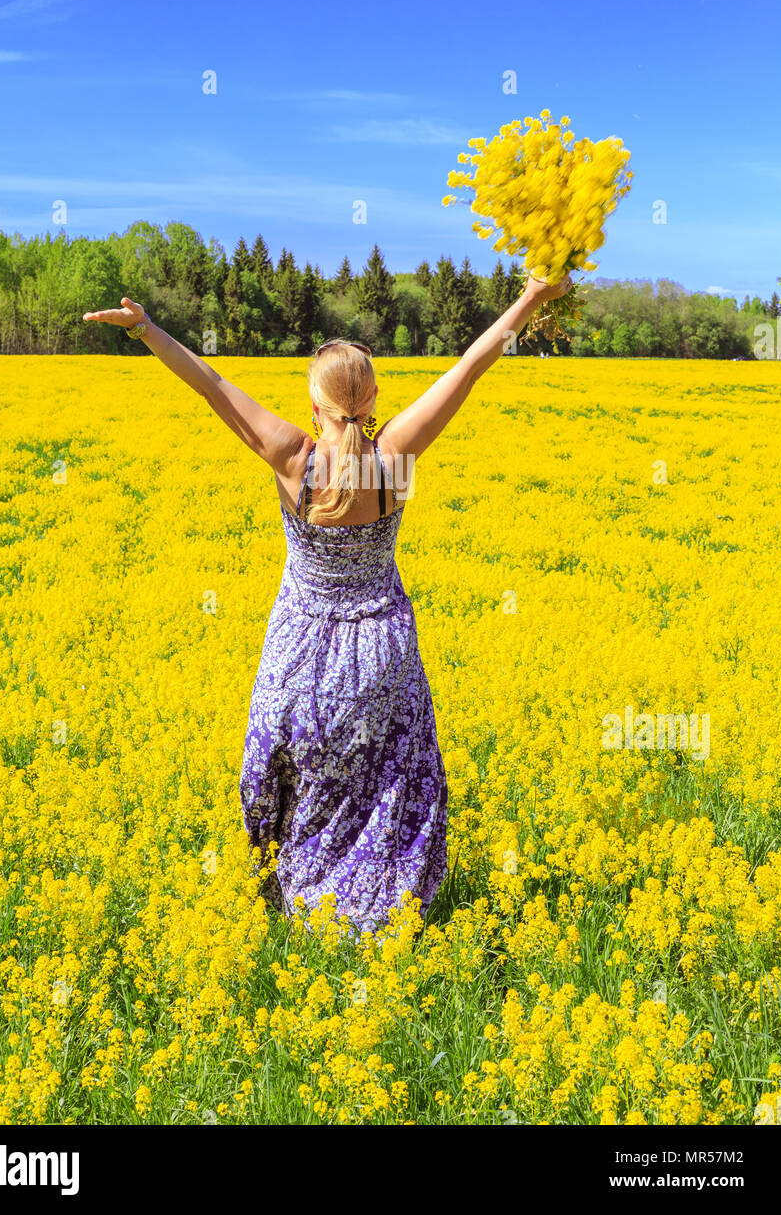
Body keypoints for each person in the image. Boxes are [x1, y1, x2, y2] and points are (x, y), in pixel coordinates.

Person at [82, 269, 570, 934]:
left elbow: (211, 385)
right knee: (383, 781)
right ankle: (378, 910)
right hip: (380, 652)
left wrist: (145, 328)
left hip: (300, 650)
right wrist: (532, 297)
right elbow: (470, 367)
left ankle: (297, 902)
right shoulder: (393, 457)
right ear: (372, 400)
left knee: (299, 776)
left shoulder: (291, 456)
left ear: (315, 407)